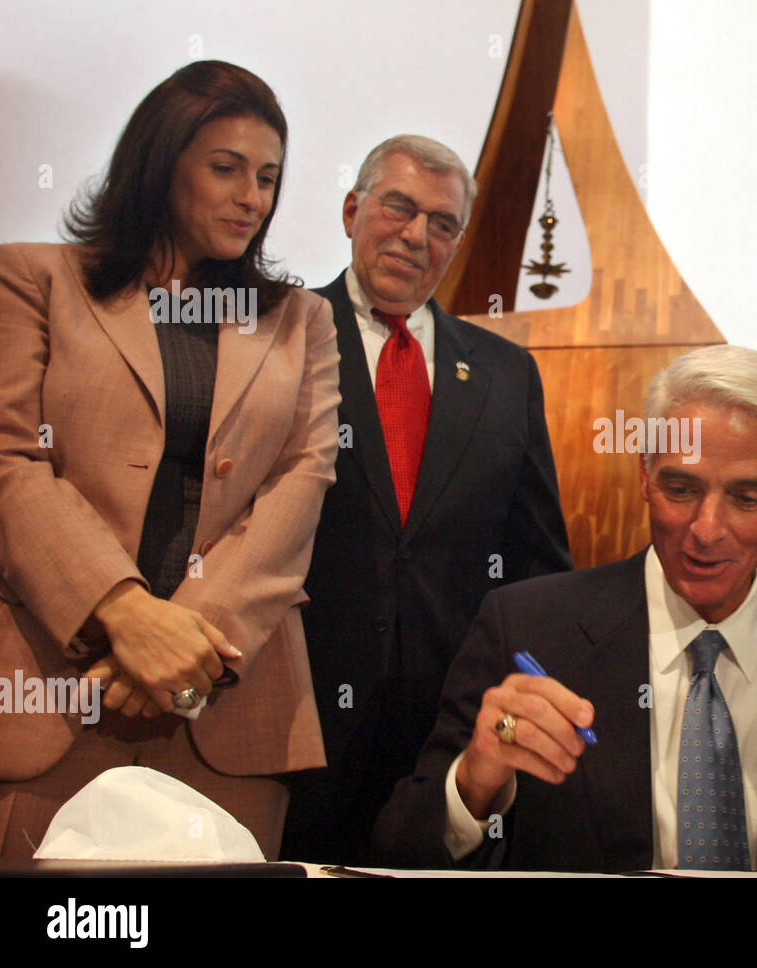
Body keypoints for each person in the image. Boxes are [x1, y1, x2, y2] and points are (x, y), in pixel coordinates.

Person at [372, 345, 757, 874]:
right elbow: (400, 848)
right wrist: (475, 782)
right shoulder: (528, 629)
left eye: (746, 498)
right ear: (644, 476)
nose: (707, 530)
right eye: (681, 488)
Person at [0, 60, 340, 860]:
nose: (251, 196)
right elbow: (9, 460)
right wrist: (123, 611)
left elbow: (301, 484)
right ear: (159, 163)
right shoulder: (33, 277)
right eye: (225, 168)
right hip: (53, 692)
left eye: (268, 177)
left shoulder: (301, 320)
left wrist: (186, 644)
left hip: (227, 708)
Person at [281, 135, 572, 864]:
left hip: (447, 740)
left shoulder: (507, 374)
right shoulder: (277, 335)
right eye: (399, 208)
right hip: (291, 722)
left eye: (441, 223)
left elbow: (539, 566)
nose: (417, 236)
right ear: (353, 210)